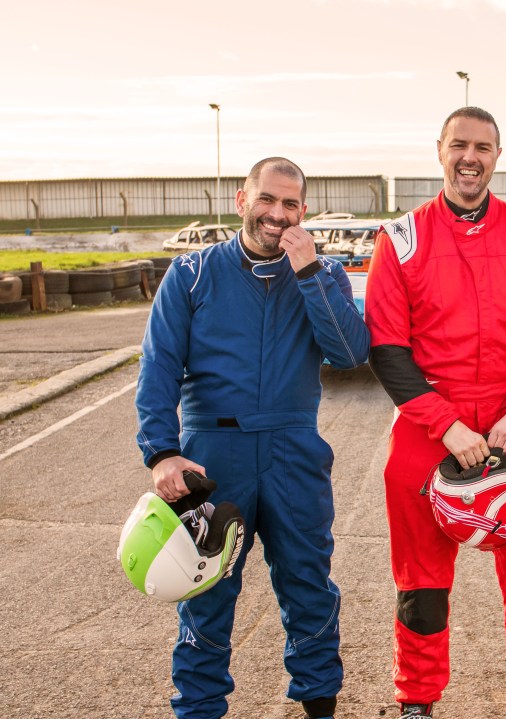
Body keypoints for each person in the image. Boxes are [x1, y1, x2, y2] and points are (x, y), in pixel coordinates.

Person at [135, 157, 370, 719]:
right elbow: (158, 369)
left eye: (290, 205)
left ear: (303, 212)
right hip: (211, 457)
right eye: (267, 199)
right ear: (243, 200)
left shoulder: (324, 273)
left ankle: (319, 705)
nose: (277, 214)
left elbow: (350, 352)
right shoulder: (191, 273)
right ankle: (198, 709)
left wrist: (309, 271)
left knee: (308, 584)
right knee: (206, 595)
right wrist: (163, 452)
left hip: (294, 450)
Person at [364, 107, 506, 719]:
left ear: (497, 155)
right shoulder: (400, 237)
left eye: (482, 147)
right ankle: (417, 701)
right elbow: (386, 349)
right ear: (439, 151)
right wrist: (447, 425)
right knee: (421, 584)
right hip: (431, 432)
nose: (470, 158)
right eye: (459, 145)